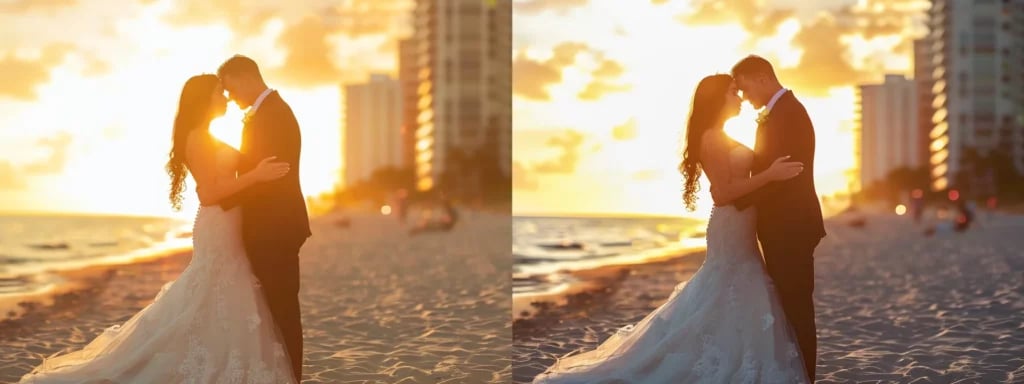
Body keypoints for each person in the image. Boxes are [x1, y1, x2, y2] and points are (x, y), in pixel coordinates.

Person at [533, 72, 811, 383]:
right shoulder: (710, 138)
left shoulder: (721, 134)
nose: (740, 98)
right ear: (718, 98)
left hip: (742, 225)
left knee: (738, 288)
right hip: (730, 225)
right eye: (734, 92)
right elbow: (721, 193)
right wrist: (769, 175)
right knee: (730, 285)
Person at [20, 74, 296, 383]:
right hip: (218, 224)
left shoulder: (206, 135)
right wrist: (255, 176)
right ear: (205, 98)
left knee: (223, 287)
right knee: (216, 285)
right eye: (221, 93)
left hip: (229, 223)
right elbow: (209, 193)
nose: (226, 98)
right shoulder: (197, 138)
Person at [217, 54, 313, 382]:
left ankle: (291, 377)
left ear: (244, 77)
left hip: (276, 227)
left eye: (230, 89)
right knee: (275, 307)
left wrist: (220, 196)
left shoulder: (273, 115)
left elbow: (267, 176)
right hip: (272, 225)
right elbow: (256, 169)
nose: (229, 98)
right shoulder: (266, 112)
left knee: (282, 307)